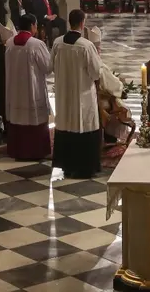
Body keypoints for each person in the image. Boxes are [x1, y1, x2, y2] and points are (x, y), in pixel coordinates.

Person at [51, 10, 102, 179]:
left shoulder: (58, 43)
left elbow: (50, 65)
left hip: (64, 94)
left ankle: (67, 165)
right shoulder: (86, 46)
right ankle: (84, 167)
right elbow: (96, 73)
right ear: (82, 24)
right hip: (83, 94)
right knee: (83, 124)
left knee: (66, 125)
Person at [4, 14, 52, 161]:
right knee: (33, 119)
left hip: (14, 90)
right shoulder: (36, 44)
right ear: (32, 25)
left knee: (18, 118)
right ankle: (35, 151)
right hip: (32, 90)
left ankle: (17, 150)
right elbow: (47, 67)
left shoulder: (10, 43)